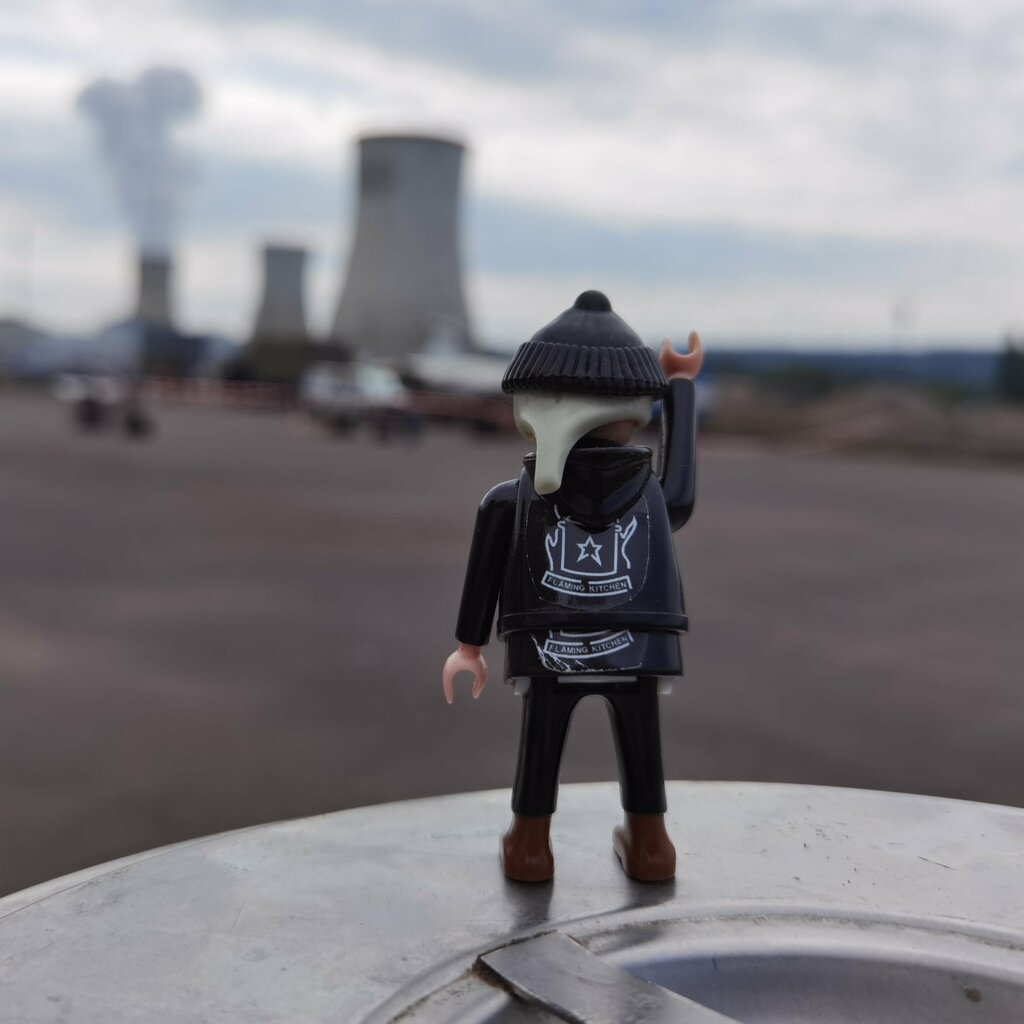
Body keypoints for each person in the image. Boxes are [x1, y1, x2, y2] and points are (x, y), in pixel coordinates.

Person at [443, 290, 703, 882]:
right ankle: (651, 846)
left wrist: (468, 647)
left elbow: (483, 573)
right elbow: (684, 486)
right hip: (637, 639)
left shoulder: (510, 498)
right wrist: (681, 387)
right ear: (635, 410)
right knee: (641, 741)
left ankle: (529, 847)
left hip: (547, 640)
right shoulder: (655, 496)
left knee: (541, 740)